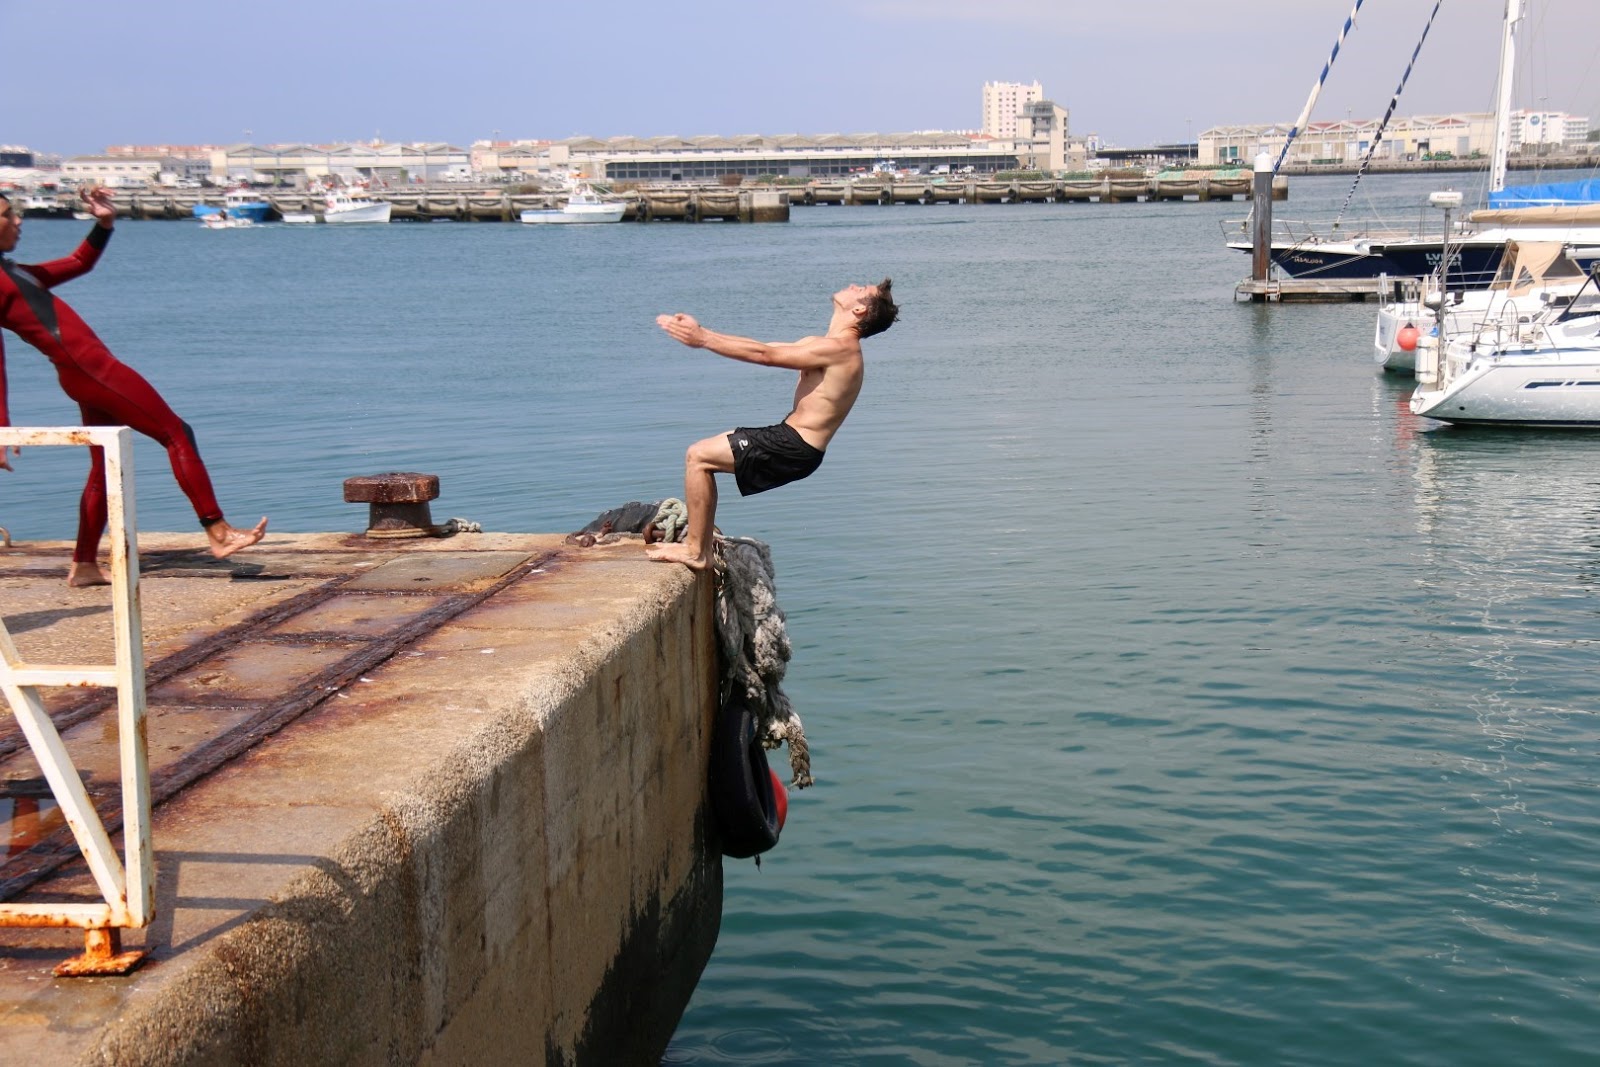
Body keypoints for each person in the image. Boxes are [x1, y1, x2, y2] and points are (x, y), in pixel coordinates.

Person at [0, 185, 267, 586]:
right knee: (176, 433)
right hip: (93, 370)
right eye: (8, 214)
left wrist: (105, 222)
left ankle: (84, 564)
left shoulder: (13, 272)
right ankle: (218, 531)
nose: (18, 220)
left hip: (83, 373)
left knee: (103, 468)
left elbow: (78, 262)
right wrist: (2, 428)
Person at [648, 279, 898, 570]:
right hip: (792, 440)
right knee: (704, 456)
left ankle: (696, 552)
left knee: (699, 456)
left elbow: (765, 356)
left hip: (794, 445)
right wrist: (703, 332)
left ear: (858, 310)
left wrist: (702, 338)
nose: (853, 285)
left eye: (861, 290)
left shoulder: (843, 349)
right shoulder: (823, 344)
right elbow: (763, 347)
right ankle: (698, 547)